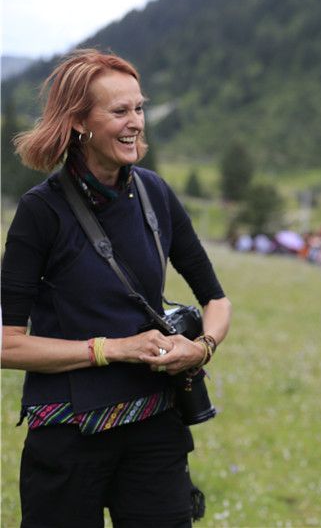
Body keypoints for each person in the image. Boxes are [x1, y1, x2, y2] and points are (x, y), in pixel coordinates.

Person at [1, 49, 232, 527]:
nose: (136, 123)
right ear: (79, 122)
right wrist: (114, 349)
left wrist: (202, 347)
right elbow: (7, 344)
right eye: (120, 111)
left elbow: (216, 299)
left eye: (139, 108)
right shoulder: (40, 212)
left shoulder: (155, 193)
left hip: (155, 428)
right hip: (68, 436)